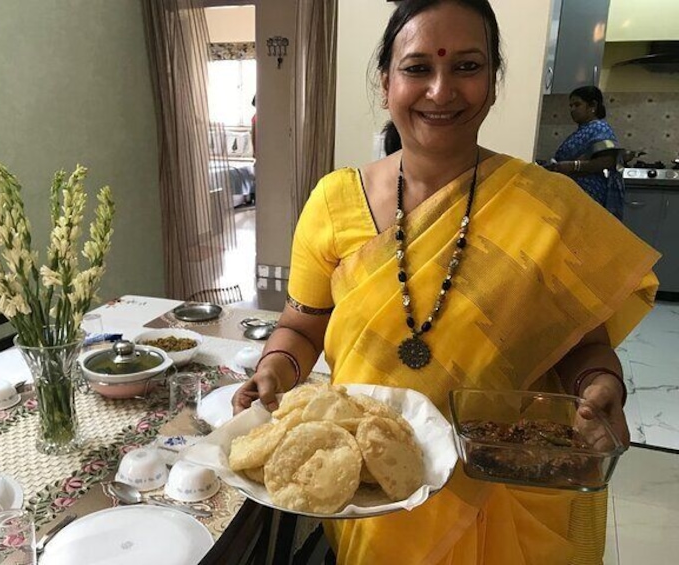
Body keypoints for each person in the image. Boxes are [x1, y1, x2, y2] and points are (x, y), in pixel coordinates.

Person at [231, 1, 659, 563]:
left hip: (506, 492)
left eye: (466, 66)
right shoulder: (334, 203)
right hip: (376, 494)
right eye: (417, 68)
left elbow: (585, 345)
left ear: (493, 82)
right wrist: (273, 371)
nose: (441, 90)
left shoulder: (549, 209)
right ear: (385, 83)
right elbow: (301, 327)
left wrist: (602, 389)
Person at [546, 86, 625, 219]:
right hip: (573, 192)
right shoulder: (582, 130)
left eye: (577, 105)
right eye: (570, 106)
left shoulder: (599, 128)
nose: (572, 109)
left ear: (593, 105)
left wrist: (572, 166)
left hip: (589, 192)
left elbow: (608, 160)